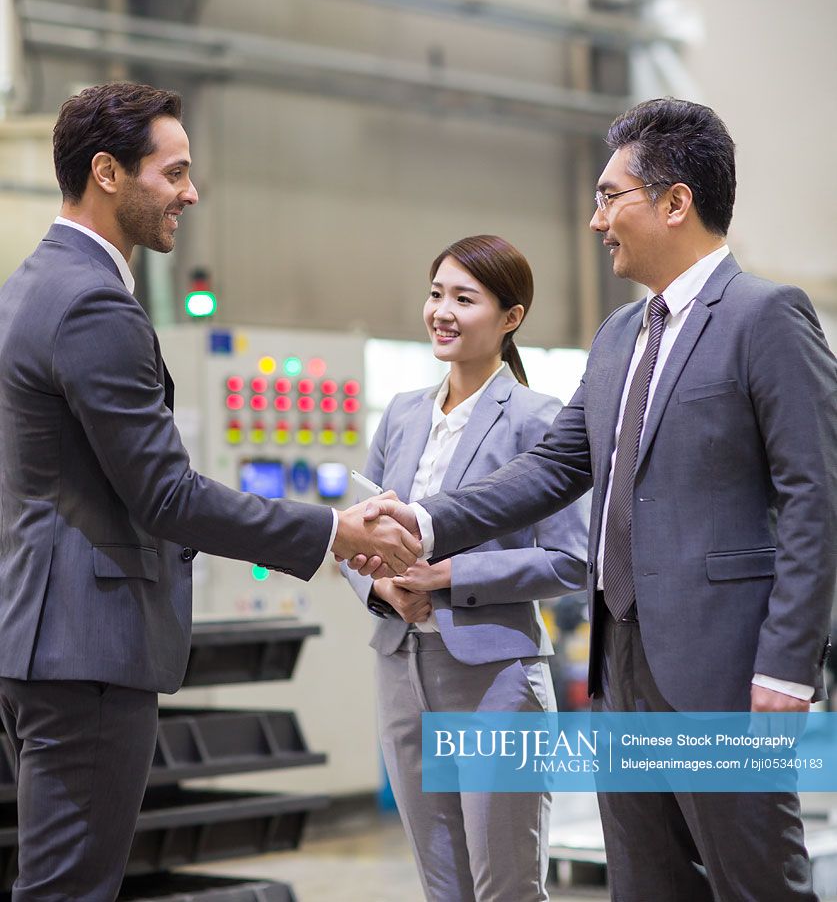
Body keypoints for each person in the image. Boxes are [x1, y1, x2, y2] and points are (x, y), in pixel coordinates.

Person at [364, 99, 837, 902]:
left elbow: (815, 496)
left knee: (752, 878)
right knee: (646, 880)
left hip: (723, 668)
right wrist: (428, 520)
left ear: (674, 202)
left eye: (609, 195)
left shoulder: (764, 316)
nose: (594, 220)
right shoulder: (619, 333)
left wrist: (788, 666)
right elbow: (554, 465)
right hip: (621, 661)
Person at [0, 82, 419, 902]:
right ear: (108, 172)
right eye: (175, 171)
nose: (191, 192)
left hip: (42, 638)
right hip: (87, 650)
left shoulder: (29, 284)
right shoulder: (92, 304)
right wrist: (331, 529)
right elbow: (166, 494)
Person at [343, 235, 589, 902]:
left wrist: (447, 577)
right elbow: (355, 536)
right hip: (401, 669)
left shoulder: (542, 419)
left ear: (509, 317)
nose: (441, 311)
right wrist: (383, 586)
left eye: (463, 298)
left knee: (505, 885)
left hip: (494, 680)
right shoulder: (399, 414)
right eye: (435, 294)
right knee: (442, 887)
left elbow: (571, 559)